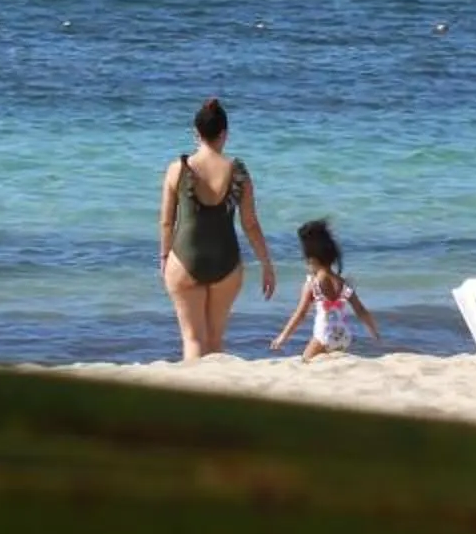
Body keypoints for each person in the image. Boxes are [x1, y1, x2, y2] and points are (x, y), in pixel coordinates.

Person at [158, 96, 272, 361]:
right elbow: (250, 224)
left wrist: (164, 257)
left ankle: (193, 395)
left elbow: (166, 221)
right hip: (227, 262)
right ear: (225, 134)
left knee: (193, 339)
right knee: (215, 341)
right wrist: (266, 264)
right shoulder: (238, 171)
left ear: (196, 133)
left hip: (184, 260)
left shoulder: (178, 169)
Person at [272, 217, 383, 360]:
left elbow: (300, 314)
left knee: (305, 361)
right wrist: (374, 331)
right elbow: (361, 310)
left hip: (323, 336)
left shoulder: (313, 284)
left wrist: (282, 337)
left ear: (311, 258)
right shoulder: (343, 283)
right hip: (344, 336)